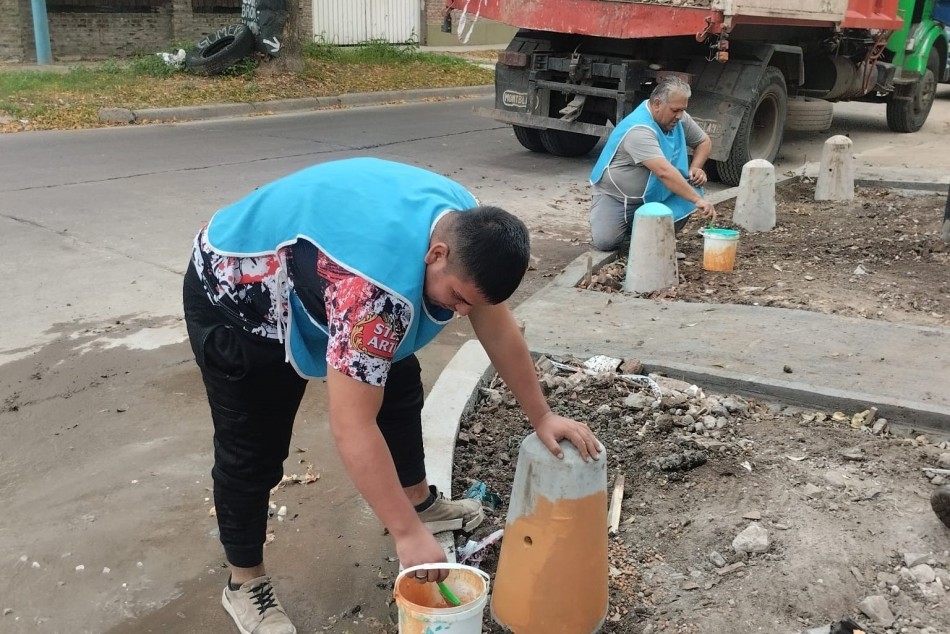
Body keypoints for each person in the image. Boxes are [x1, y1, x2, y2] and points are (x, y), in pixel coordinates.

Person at [182, 157, 603, 634]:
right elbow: (351, 424)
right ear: (437, 254)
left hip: (327, 270)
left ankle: (420, 502)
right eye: (458, 298)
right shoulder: (373, 295)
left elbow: (497, 325)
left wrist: (542, 415)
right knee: (252, 449)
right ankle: (244, 583)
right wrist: (406, 536)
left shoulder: (467, 222)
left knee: (398, 387)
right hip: (237, 294)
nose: (463, 314)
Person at [589, 75, 717, 251]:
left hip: (657, 195)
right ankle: (637, 231)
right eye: (675, 110)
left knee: (691, 190)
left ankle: (646, 237)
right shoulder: (639, 130)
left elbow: (704, 142)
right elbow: (663, 171)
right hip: (619, 198)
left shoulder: (679, 117)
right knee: (606, 242)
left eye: (682, 110)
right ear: (657, 104)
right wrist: (697, 200)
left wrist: (696, 167)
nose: (680, 116)